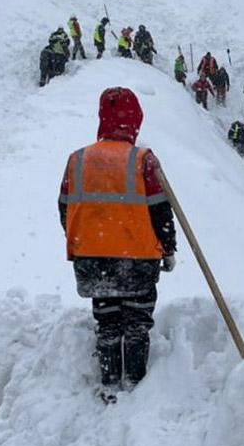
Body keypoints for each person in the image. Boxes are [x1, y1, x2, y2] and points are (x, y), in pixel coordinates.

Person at [59, 88, 177, 401]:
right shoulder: (143, 160)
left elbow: (64, 208)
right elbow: (160, 210)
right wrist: (168, 248)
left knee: (108, 320)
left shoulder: (78, 159)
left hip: (93, 259)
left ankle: (110, 384)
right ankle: (134, 385)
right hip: (137, 260)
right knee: (137, 322)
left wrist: (84, 240)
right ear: (135, 119)